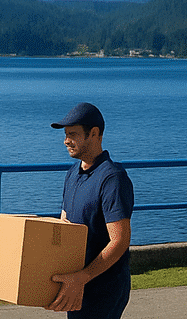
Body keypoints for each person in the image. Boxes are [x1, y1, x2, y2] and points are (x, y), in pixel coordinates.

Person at [47, 102, 134, 319]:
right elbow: (65, 225)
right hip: (77, 283)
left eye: (73, 134)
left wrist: (82, 277)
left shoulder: (112, 178)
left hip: (104, 288)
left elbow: (120, 240)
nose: (66, 140)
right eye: (66, 134)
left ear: (94, 133)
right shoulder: (72, 174)